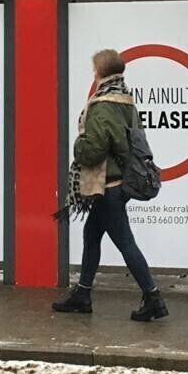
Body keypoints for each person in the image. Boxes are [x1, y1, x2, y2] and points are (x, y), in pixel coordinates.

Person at [52, 48, 168, 322]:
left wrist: (78, 145)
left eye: (94, 68)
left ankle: (153, 298)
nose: (93, 73)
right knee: (92, 234)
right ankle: (82, 294)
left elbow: (93, 151)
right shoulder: (126, 102)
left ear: (100, 72)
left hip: (108, 186)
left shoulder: (102, 105)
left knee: (125, 242)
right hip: (120, 182)